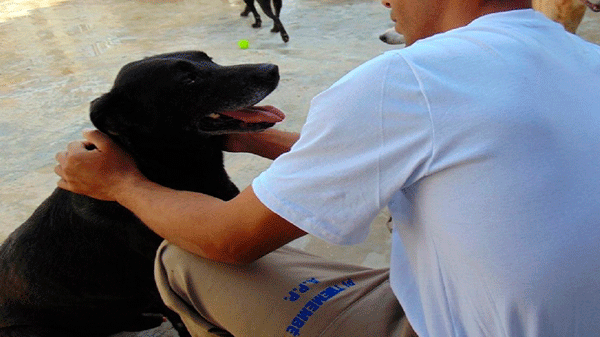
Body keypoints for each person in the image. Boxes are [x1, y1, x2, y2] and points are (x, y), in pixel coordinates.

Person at [54, 0, 600, 333]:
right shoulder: (586, 60)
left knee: (184, 257)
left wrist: (120, 182)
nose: (384, 2)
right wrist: (264, 144)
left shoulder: (405, 78)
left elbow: (229, 239)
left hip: (448, 327)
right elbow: (422, 153)